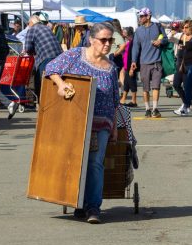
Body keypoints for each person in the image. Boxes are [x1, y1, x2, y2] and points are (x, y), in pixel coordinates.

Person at [45, 22, 119, 224]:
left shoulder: (111, 67)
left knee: (95, 163)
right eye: (103, 40)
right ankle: (78, 202)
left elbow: (114, 100)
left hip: (102, 123)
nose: (107, 44)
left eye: (110, 40)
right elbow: (50, 69)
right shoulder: (74, 55)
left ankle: (93, 207)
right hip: (75, 121)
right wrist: (61, 85)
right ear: (92, 40)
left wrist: (114, 126)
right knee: (75, 161)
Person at [130, 8, 168, 118]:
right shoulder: (138, 31)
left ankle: (155, 109)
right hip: (144, 63)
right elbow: (135, 47)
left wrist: (160, 41)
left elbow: (166, 39)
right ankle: (147, 109)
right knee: (145, 88)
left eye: (142, 16)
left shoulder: (158, 26)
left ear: (148, 16)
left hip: (157, 62)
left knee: (156, 87)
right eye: (140, 16)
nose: (140, 18)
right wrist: (133, 61)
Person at [24, 14, 63, 100]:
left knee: (41, 83)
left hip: (46, 58)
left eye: (28, 23)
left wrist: (30, 52)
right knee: (55, 82)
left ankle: (43, 104)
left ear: (31, 22)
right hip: (59, 57)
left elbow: (27, 48)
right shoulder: (46, 28)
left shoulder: (32, 29)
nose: (28, 25)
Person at [120, 27, 138, 107]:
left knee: (132, 83)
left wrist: (131, 68)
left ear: (128, 33)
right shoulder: (128, 41)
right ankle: (123, 99)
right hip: (126, 65)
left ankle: (134, 101)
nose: (122, 33)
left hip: (130, 66)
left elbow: (132, 56)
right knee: (127, 83)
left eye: (124, 32)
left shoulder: (132, 42)